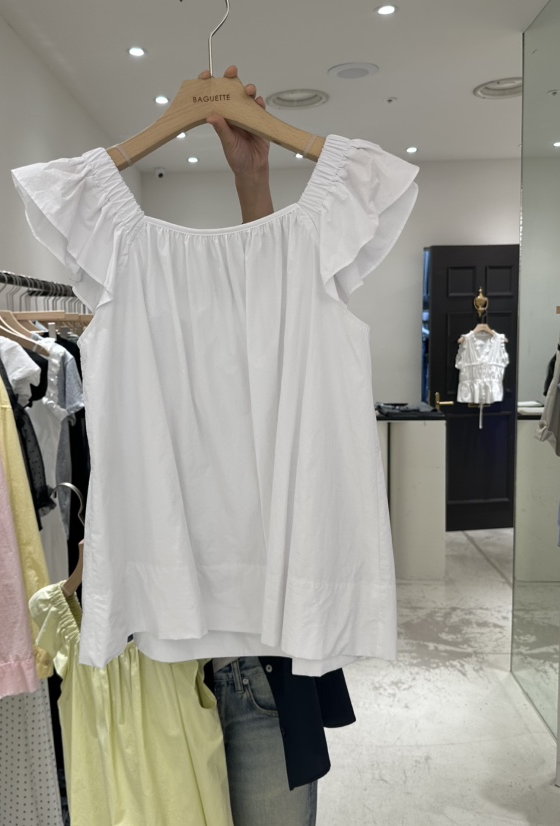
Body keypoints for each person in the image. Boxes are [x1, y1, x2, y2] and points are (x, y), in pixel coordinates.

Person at [200, 65, 357, 826]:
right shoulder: (124, 344)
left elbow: (272, 317)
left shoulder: (259, 355)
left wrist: (253, 182)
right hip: (144, 664)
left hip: (251, 653)